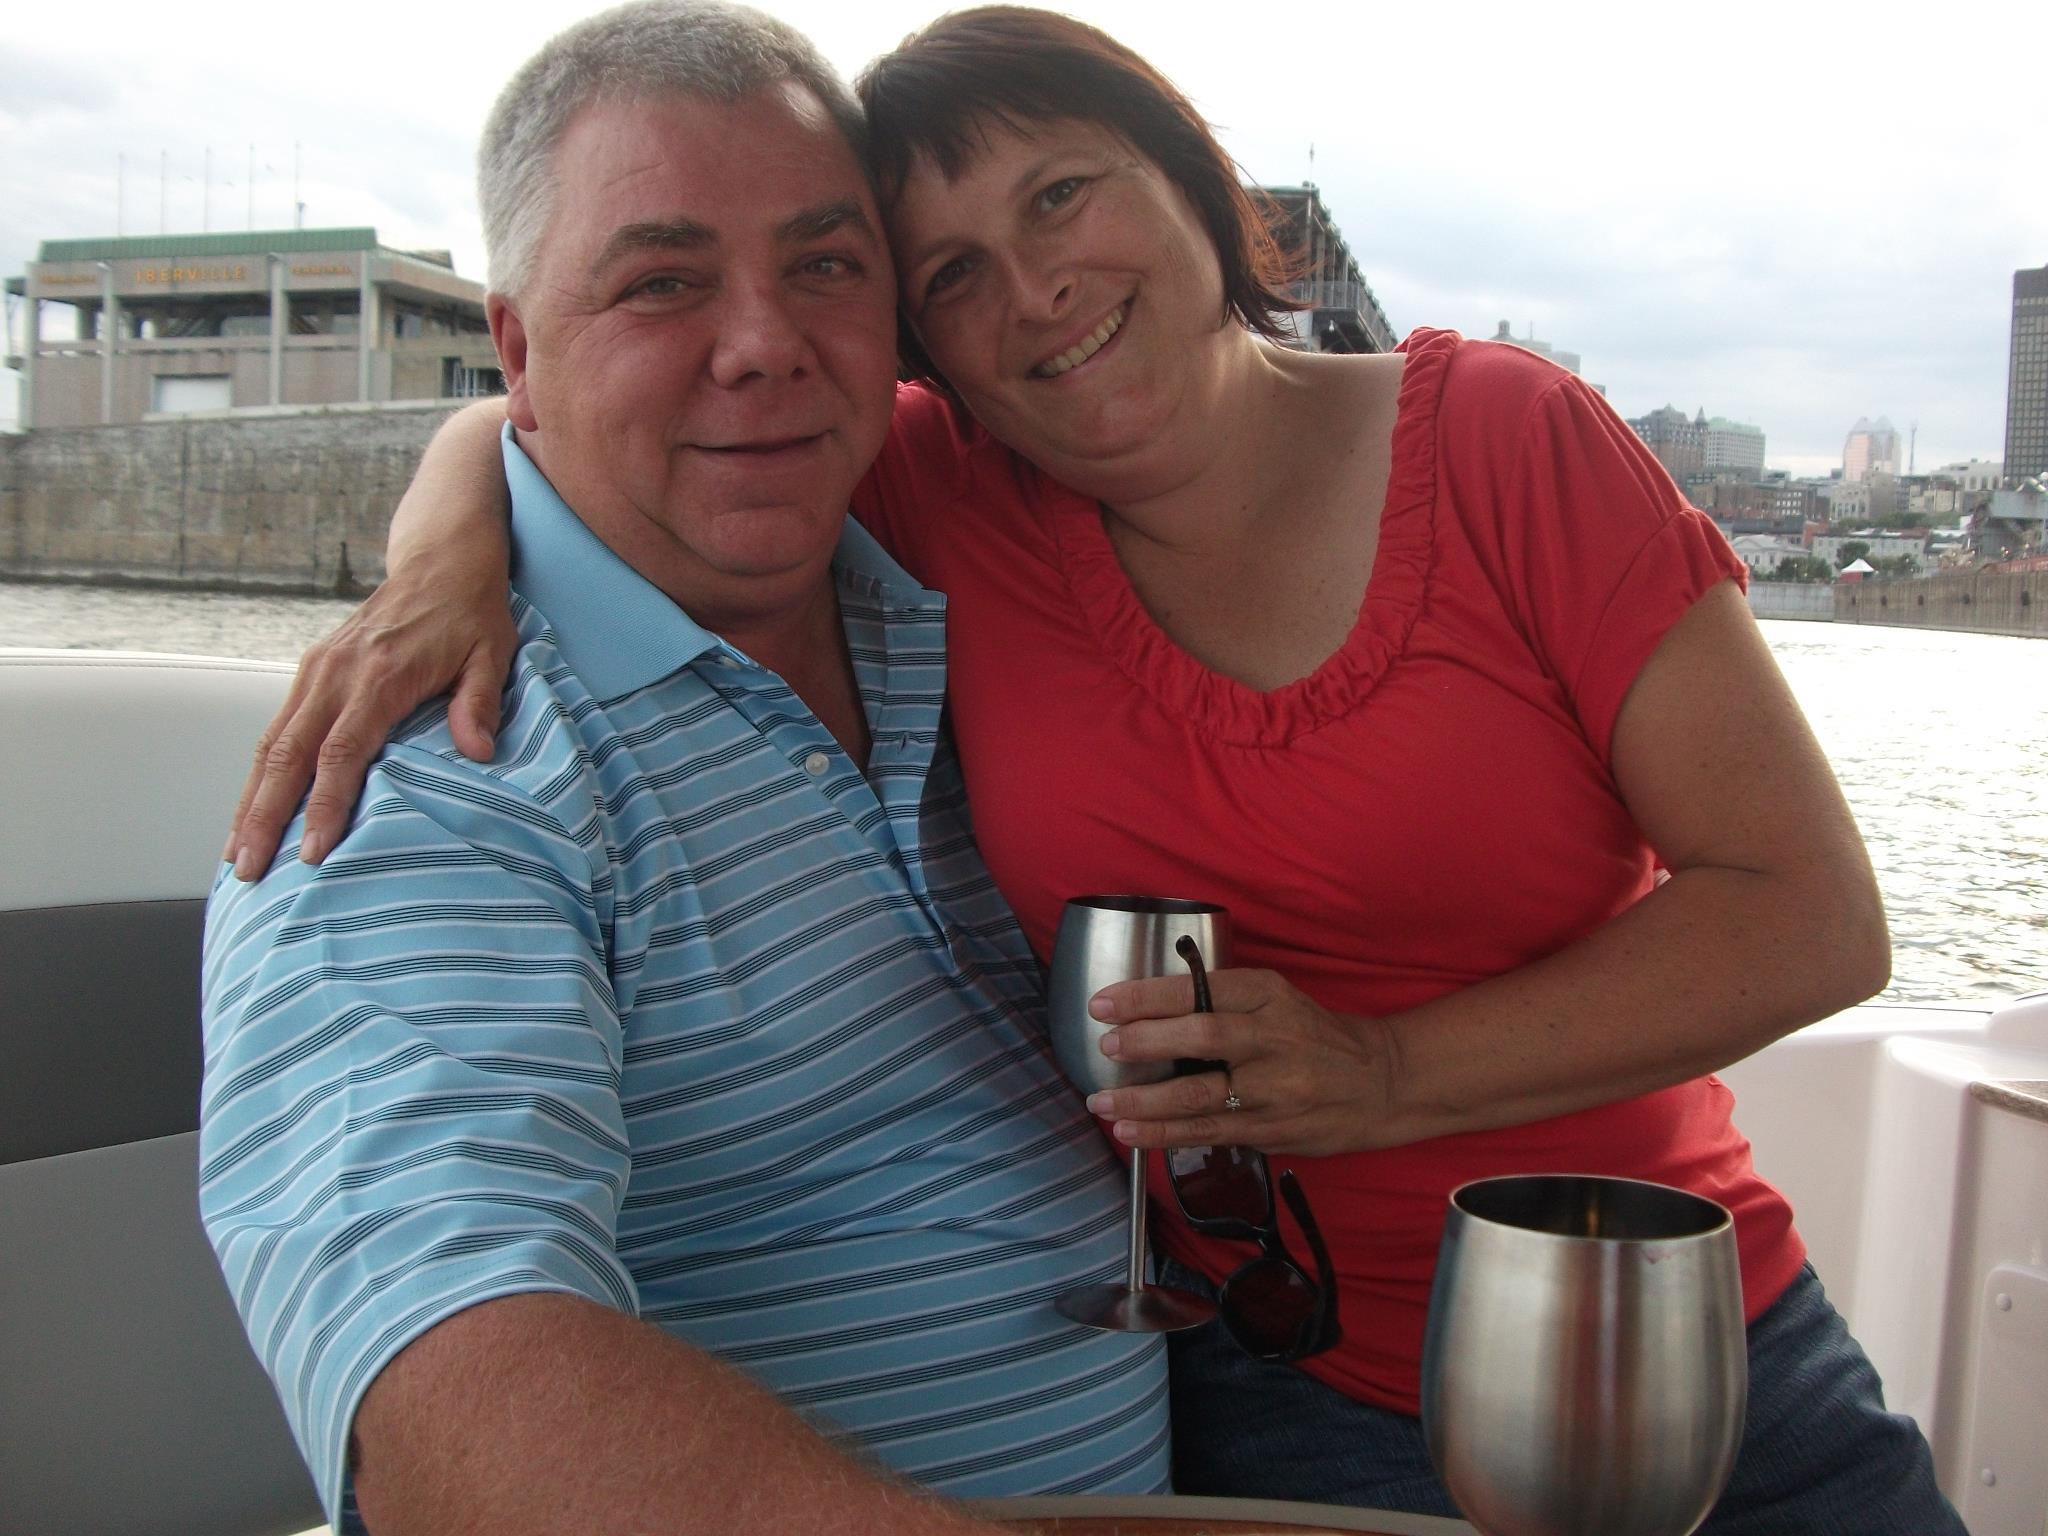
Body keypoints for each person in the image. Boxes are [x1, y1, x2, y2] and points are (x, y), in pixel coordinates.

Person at [225, 6, 1967, 1531]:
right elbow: (638, 403)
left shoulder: (1484, 449)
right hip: (1285, 1385)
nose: (1032, 288)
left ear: (1195, 179)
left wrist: (1381, 1073)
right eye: (951, 276)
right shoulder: (917, 516)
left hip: (1665, 1326)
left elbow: (1810, 914)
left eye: (1059, 195)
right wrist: (446, 549)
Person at [198, 8, 1173, 1535]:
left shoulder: (968, 582)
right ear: (520, 351)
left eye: (826, 266)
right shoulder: (436, 769)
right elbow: (446, 1388)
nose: (766, 341)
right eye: (662, 282)